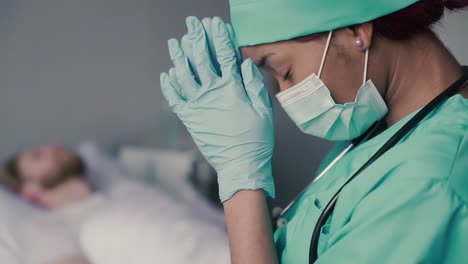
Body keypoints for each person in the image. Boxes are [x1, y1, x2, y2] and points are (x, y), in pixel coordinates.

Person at [159, 0, 468, 263]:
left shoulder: (428, 183)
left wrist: (242, 182)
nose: (284, 94)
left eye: (284, 72)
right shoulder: (385, 126)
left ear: (356, 31)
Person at [0, 143, 230, 264]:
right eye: (38, 156)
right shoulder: (49, 227)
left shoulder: (125, 188)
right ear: (29, 191)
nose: (52, 146)